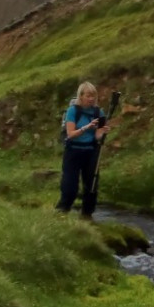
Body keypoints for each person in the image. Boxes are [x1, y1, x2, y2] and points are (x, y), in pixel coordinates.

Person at [56, 82, 111, 219]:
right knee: (70, 186)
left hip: (91, 152)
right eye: (88, 96)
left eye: (93, 96)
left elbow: (97, 137)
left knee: (91, 185)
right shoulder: (73, 111)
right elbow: (70, 134)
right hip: (73, 151)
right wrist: (87, 127)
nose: (91, 99)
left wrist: (102, 132)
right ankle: (62, 212)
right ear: (81, 96)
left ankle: (87, 215)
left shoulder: (99, 113)